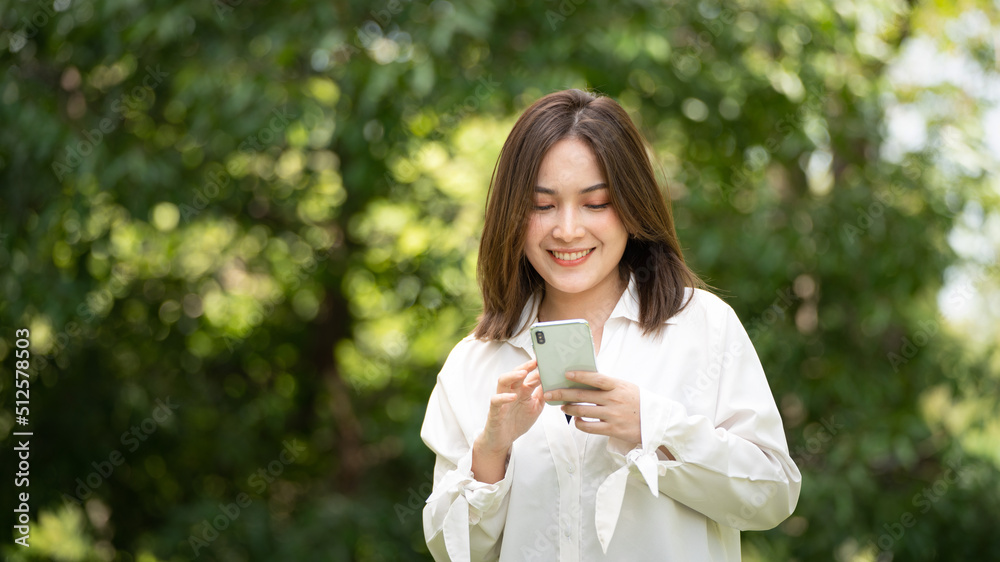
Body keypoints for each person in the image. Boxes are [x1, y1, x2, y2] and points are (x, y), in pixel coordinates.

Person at [421, 89, 801, 561]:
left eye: (595, 203)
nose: (567, 229)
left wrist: (652, 426)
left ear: (632, 206)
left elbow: (772, 494)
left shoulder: (701, 326)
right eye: (542, 206)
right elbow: (450, 549)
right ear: (512, 215)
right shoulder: (474, 362)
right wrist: (491, 452)